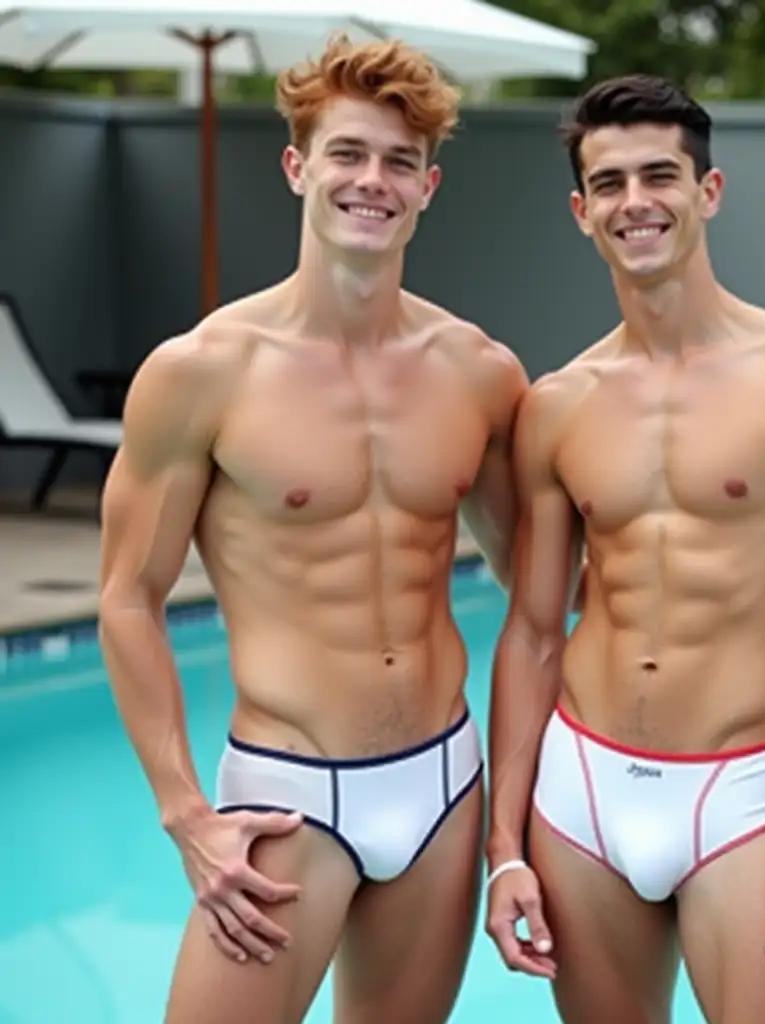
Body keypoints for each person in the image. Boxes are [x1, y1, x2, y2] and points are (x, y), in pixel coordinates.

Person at [97, 33, 529, 1024]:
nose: (371, 180)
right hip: (287, 796)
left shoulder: (480, 373)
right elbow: (127, 598)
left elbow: (538, 590)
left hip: (443, 784)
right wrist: (184, 815)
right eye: (347, 153)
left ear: (429, 186)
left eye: (398, 162)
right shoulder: (202, 373)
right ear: (298, 167)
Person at [484, 73, 765, 1024]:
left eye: (660, 176)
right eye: (611, 184)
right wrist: (504, 848)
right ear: (582, 212)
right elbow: (533, 633)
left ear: (706, 193)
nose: (637, 202)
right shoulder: (557, 406)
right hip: (580, 790)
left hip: (735, 794)